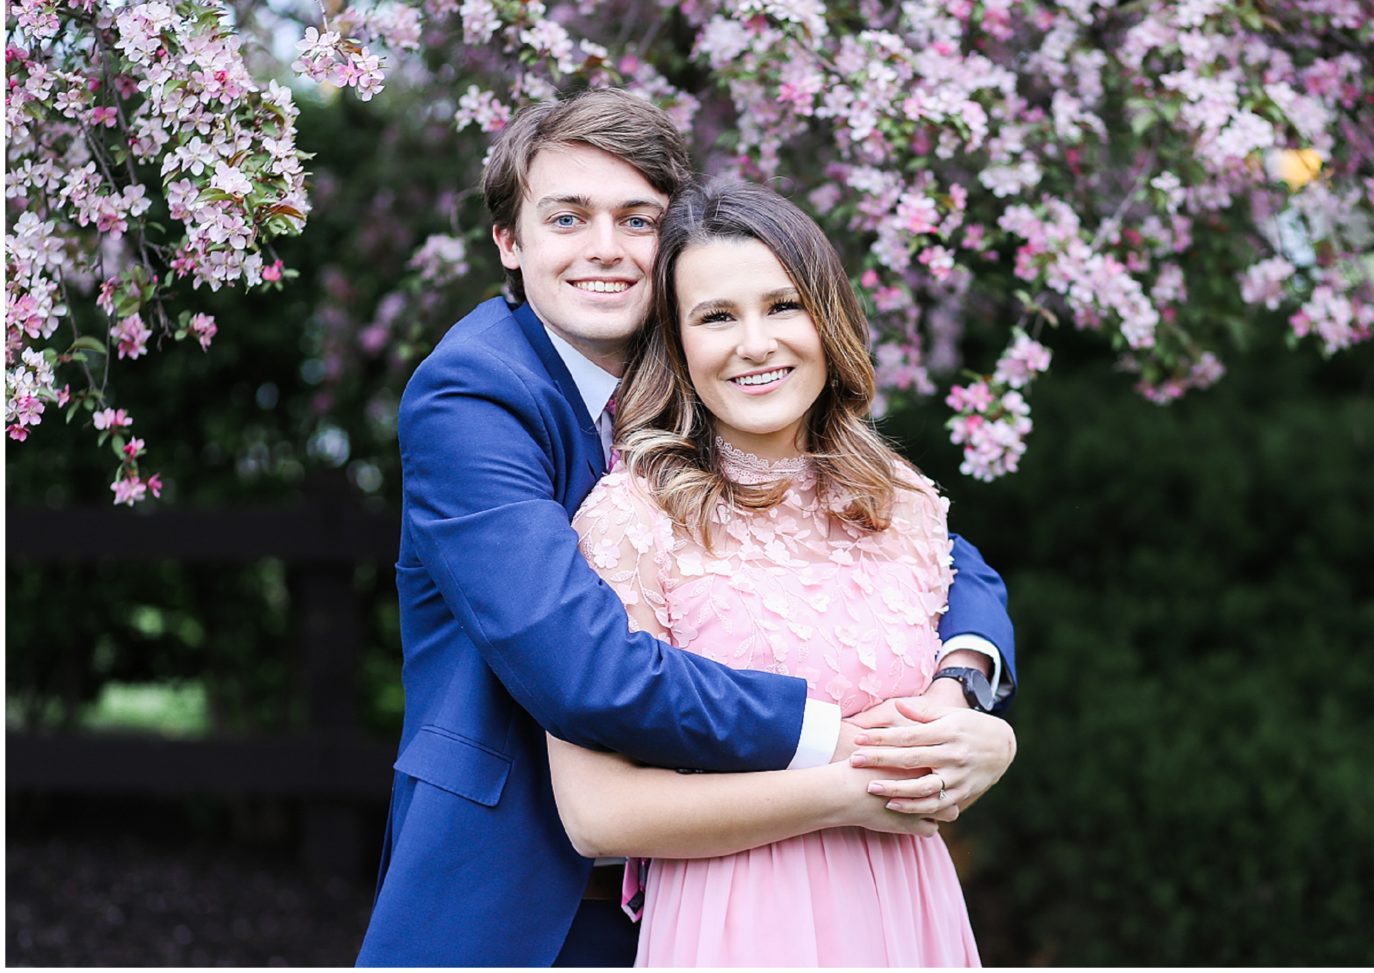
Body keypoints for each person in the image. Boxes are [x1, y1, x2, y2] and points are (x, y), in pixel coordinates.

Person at [355, 88, 1017, 967]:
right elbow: (587, 670)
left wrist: (965, 686)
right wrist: (842, 749)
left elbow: (926, 548)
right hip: (524, 896)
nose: (605, 249)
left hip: (744, 901)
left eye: (637, 219)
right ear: (509, 243)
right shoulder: (474, 395)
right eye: (567, 217)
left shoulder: (711, 387)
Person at [548, 179, 1007, 965]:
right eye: (717, 316)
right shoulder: (630, 520)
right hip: (738, 923)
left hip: (909, 913)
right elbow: (599, 813)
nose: (755, 343)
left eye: (783, 305)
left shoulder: (901, 501)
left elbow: (963, 664)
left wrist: (988, 736)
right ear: (678, 343)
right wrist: (852, 792)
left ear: (827, 320)